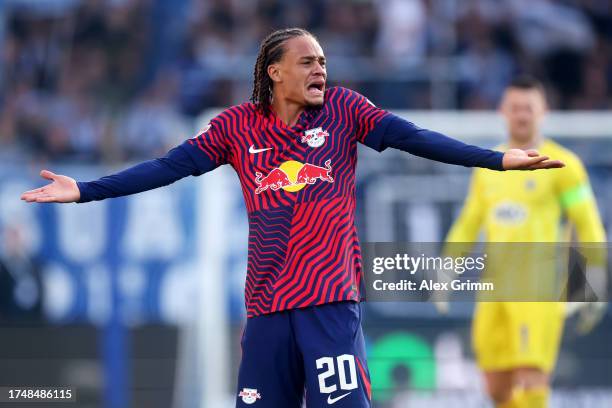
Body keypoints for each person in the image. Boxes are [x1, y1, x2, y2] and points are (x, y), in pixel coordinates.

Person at [21, 29, 563, 407]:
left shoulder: (345, 110)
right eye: (308, 61)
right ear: (275, 71)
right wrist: (86, 190)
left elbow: (414, 138)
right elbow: (168, 167)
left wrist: (496, 159)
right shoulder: (236, 127)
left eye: (324, 61)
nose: (321, 69)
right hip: (265, 309)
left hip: (329, 301)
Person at [442, 76, 606, 408]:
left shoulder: (564, 166)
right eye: (515, 107)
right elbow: (469, 222)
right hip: (493, 289)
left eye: (528, 108)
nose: (521, 115)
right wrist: (446, 267)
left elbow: (588, 224)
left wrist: (594, 281)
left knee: (532, 376)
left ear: (543, 111)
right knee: (495, 384)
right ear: (503, 111)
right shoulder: (487, 166)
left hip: (539, 287)